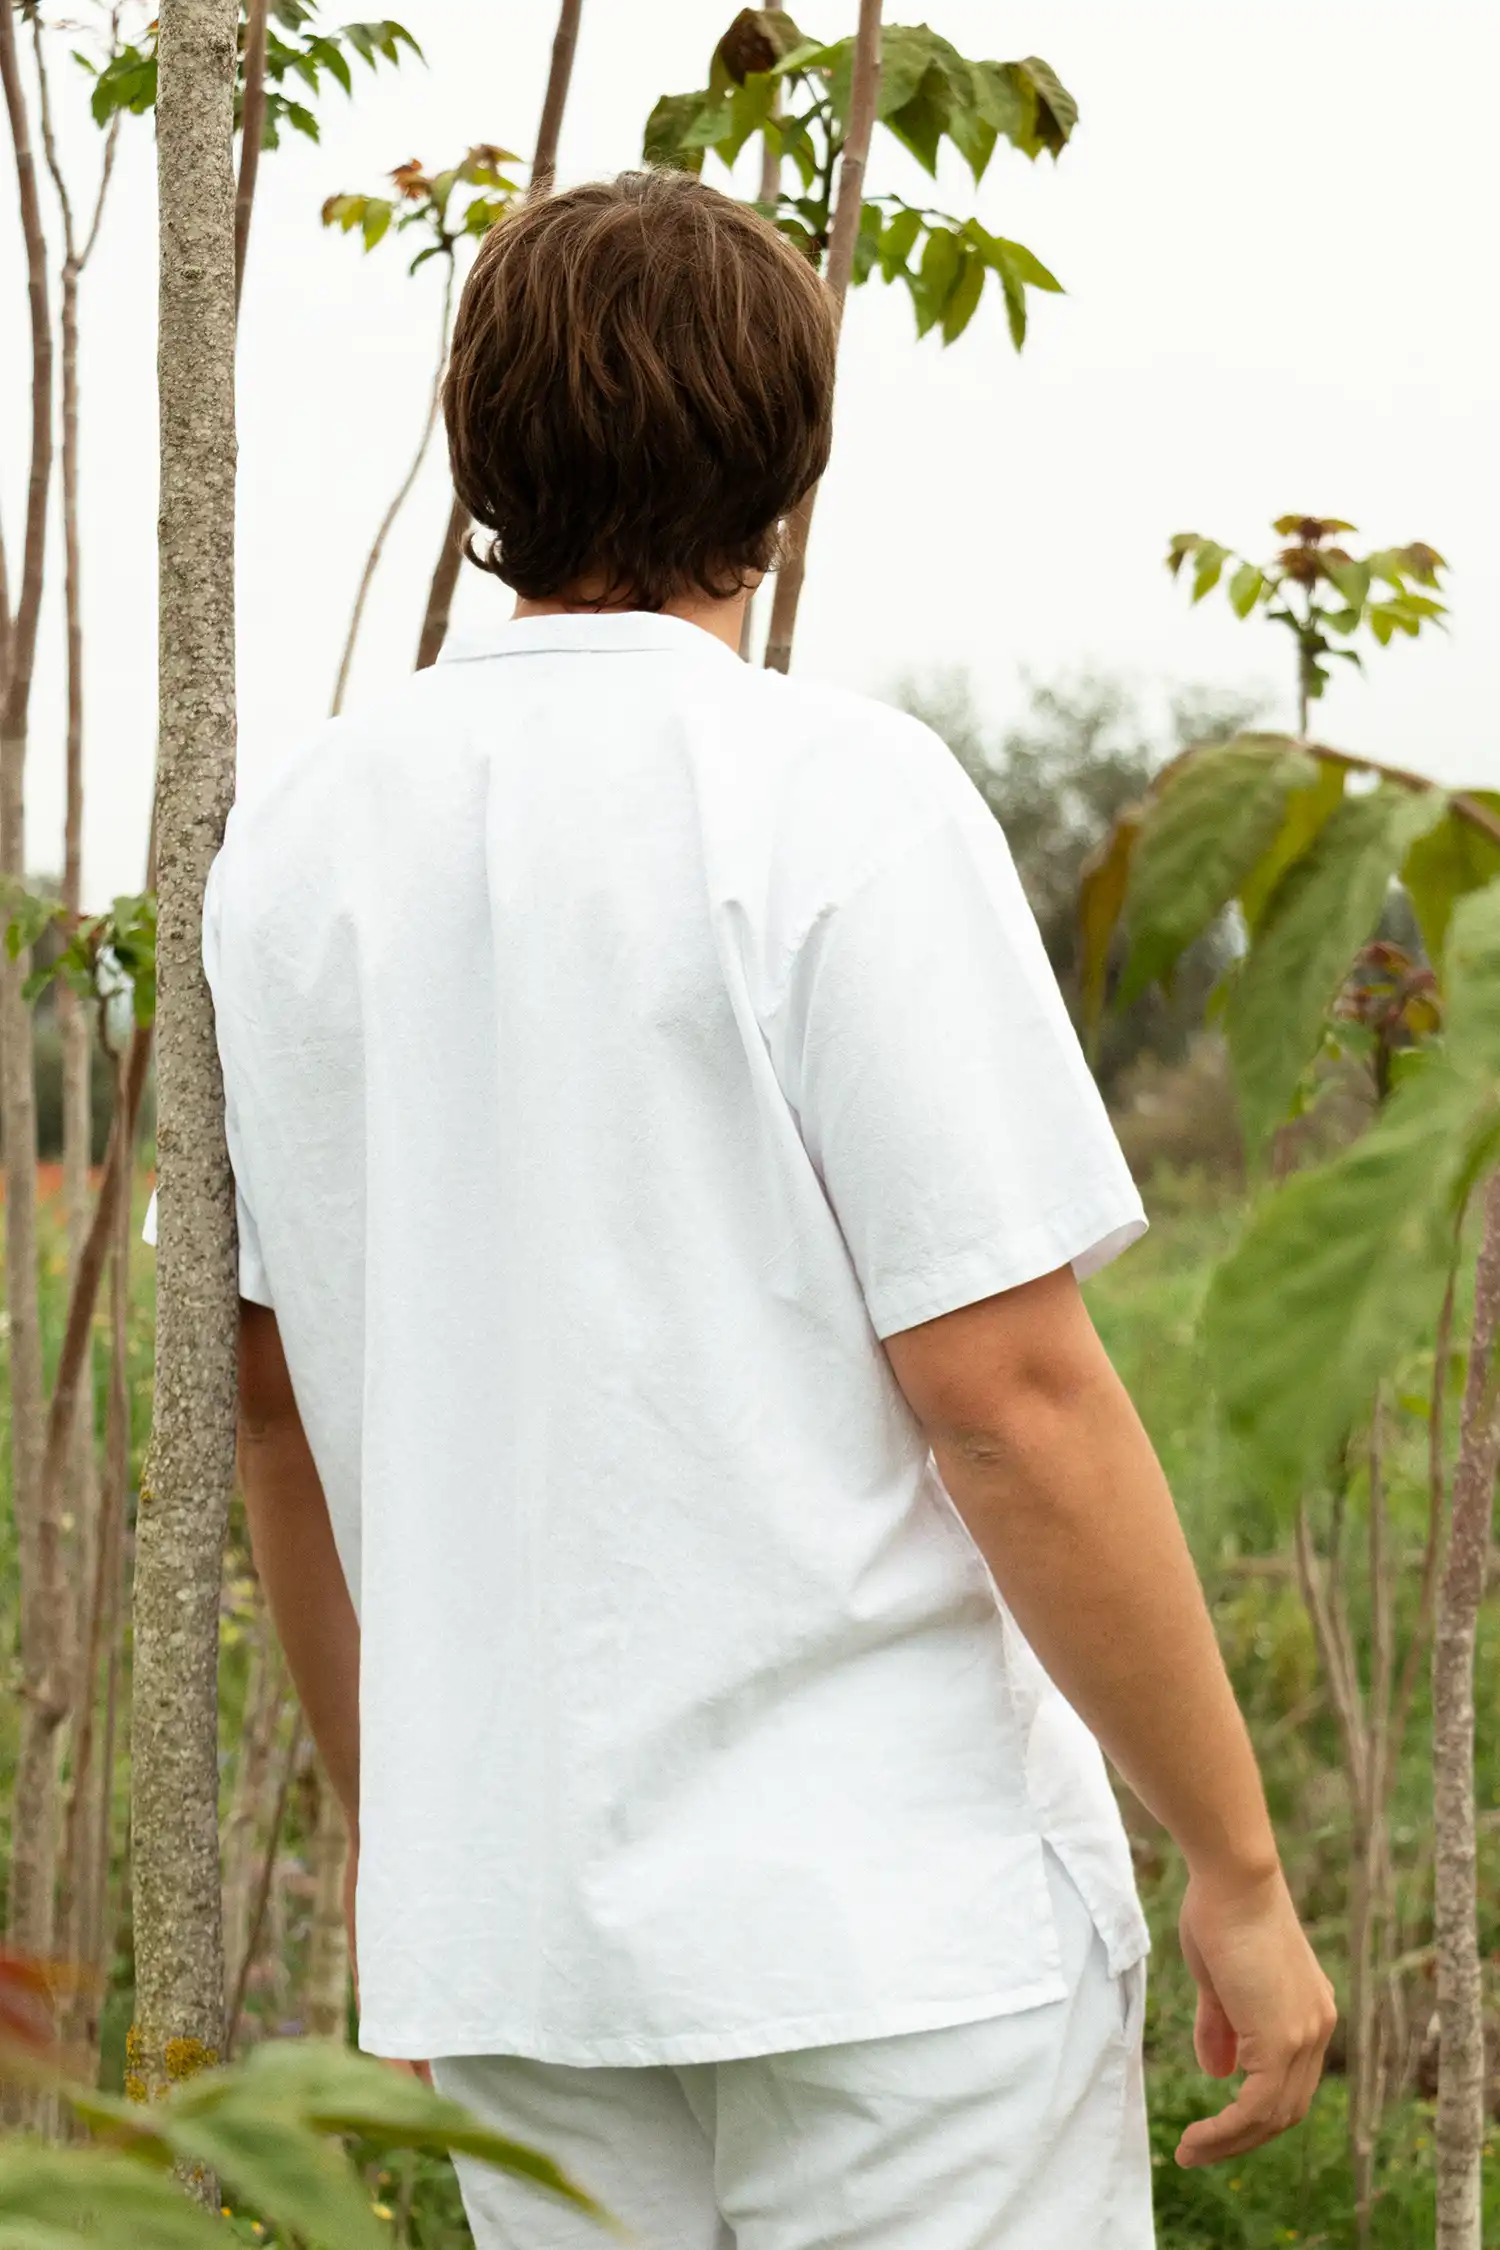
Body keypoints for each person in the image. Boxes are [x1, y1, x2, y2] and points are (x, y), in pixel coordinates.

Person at [219, 170, 1334, 2249]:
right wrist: (1243, 1874)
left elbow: (275, 1410)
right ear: (788, 464)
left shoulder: (290, 852)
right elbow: (1008, 1395)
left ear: (481, 446)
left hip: (527, 1952)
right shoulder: (837, 798)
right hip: (898, 1940)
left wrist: (415, 1858)